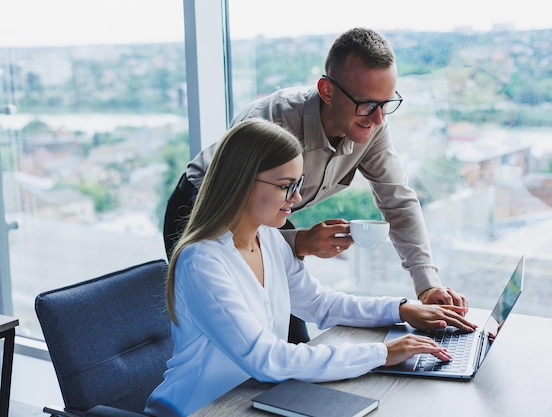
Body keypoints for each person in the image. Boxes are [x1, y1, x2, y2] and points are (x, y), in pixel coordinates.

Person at [145, 118, 477, 417]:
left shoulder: (269, 239)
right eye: (286, 185)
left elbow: (320, 304)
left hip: (254, 400)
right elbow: (268, 359)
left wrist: (402, 309)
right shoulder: (202, 262)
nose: (297, 196)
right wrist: (381, 353)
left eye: (299, 182)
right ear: (243, 182)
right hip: (199, 409)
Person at [163, 27, 468, 343]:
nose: (378, 119)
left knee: (292, 332)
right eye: (366, 104)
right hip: (205, 210)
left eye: (386, 103)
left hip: (269, 221)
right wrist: (299, 242)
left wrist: (426, 285)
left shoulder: (373, 124)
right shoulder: (271, 121)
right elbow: (239, 216)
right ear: (327, 91)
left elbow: (398, 201)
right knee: (249, 336)